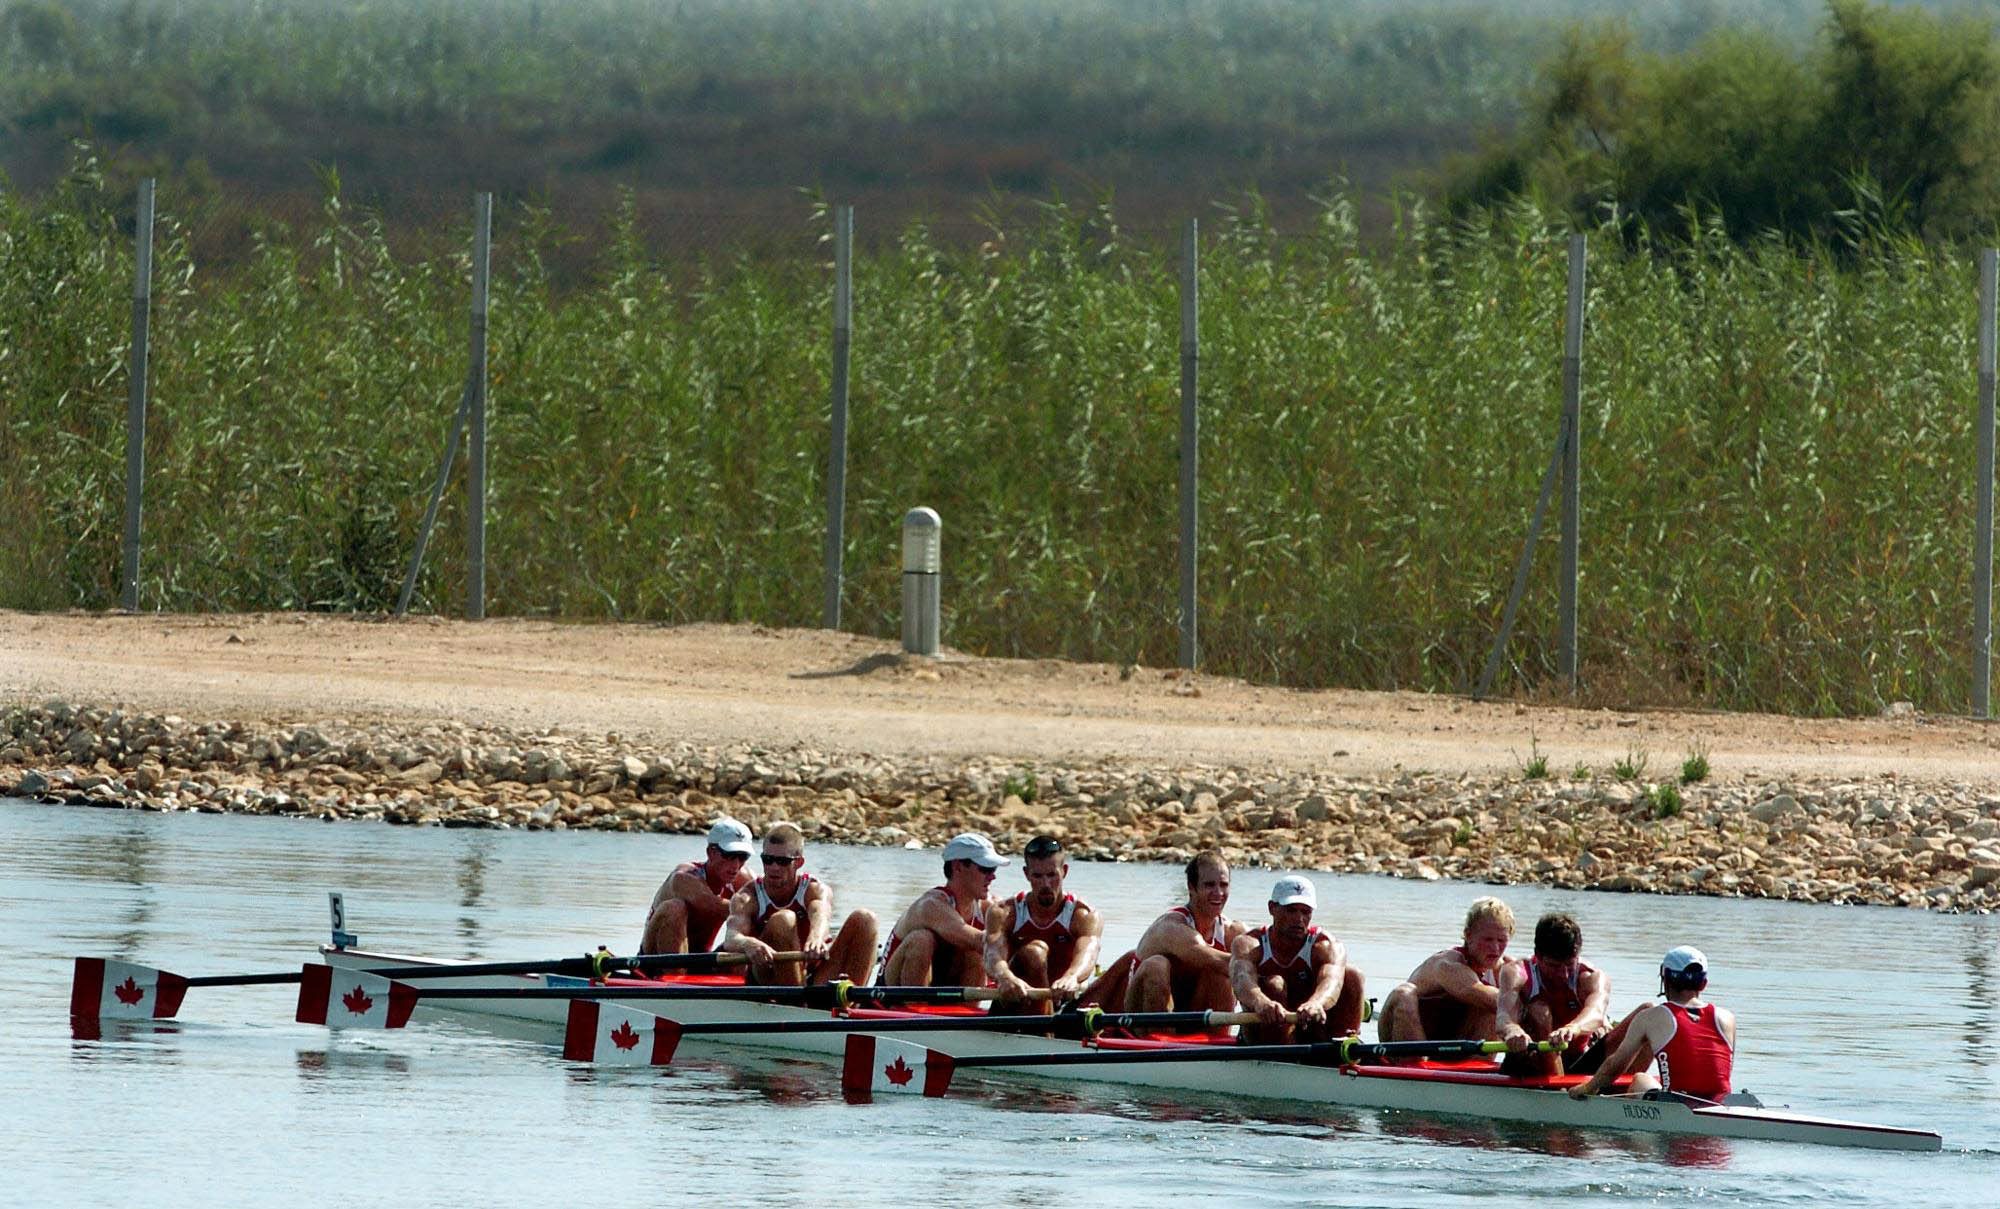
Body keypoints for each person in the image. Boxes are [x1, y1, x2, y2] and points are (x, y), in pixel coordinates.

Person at [1570, 946, 1736, 1103]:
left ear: (1665, 980)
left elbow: (1615, 1066)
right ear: (1704, 983)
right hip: (1723, 1105)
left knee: (1640, 1079)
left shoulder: (1650, 1017)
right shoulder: (1727, 1018)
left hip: (1677, 1106)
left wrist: (1587, 1088)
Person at [720, 821, 878, 986]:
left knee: (866, 919)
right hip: (769, 974)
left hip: (812, 973)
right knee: (783, 919)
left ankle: (852, 998)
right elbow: (731, 938)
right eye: (767, 860)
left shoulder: (815, 889)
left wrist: (816, 938)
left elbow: (820, 915)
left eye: (782, 861)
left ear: (799, 863)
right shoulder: (747, 896)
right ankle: (797, 997)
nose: (774, 867)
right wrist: (747, 943)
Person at [1099, 849, 1245, 1014]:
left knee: (1225, 976)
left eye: (1224, 885)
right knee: (1157, 965)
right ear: (1191, 887)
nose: (1218, 893)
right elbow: (1214, 959)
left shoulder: (1233, 931)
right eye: (1209, 885)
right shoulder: (1172, 927)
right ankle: (1156, 1029)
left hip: (1193, 1010)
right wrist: (1255, 964)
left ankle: (1221, 1030)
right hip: (1144, 1011)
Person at [1228, 874, 1366, 1044]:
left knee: (1352, 976)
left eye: (1306, 912)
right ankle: (1278, 1051)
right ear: (1272, 908)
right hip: (1265, 1031)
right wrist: (1261, 1003)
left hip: (1310, 1025)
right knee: (1275, 984)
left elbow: (1332, 982)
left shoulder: (1326, 946)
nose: (1299, 919)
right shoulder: (1249, 944)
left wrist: (1316, 1003)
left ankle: (1343, 1045)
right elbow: (1241, 980)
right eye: (1291, 910)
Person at [983, 834, 1103, 1013]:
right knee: (1034, 952)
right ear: (1026, 874)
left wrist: (1072, 977)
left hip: (1063, 1001)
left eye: (1052, 875)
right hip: (1016, 1002)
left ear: (1064, 871)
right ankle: (1046, 1025)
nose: (1046, 884)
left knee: (1131, 960)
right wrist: (1004, 976)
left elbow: (1089, 954)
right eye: (1037, 876)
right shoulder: (1004, 912)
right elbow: (992, 954)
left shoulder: (1083, 915)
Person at [1378, 896, 1518, 1043]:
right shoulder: (1448, 964)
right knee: (1403, 993)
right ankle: (1415, 1056)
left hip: (1456, 1040)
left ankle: (1478, 1058)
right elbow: (1485, 996)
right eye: (1488, 939)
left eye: (1501, 940)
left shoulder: (1509, 969)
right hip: (1408, 1035)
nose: (1495, 948)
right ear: (1468, 935)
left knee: (1496, 1010)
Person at [880, 832, 1006, 987]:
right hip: (889, 990)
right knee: (922, 939)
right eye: (985, 868)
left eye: (993, 869)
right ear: (957, 867)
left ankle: (969, 1004)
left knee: (984, 950)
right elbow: (978, 941)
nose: (992, 877)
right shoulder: (931, 905)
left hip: (942, 985)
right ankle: (914, 1001)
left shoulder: (990, 906)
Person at [1497, 912, 1612, 1077]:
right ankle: (1557, 1085)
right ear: (1537, 955)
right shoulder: (1517, 972)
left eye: (1569, 964)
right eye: (1554, 966)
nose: (1564, 974)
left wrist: (1572, 1028)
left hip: (1577, 1061)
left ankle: (1633, 1089)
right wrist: (1512, 1030)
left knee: (1645, 1013)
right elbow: (1503, 1017)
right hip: (1530, 1060)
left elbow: (1596, 1014)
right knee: (1539, 1010)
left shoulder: (1591, 976)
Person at [638, 817, 756, 954]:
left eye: (743, 857)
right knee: (675, 908)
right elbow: (711, 905)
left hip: (702, 956)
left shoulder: (744, 879)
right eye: (729, 855)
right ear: (710, 852)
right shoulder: (684, 877)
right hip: (653, 957)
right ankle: (675, 967)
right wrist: (756, 908)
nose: (736, 865)